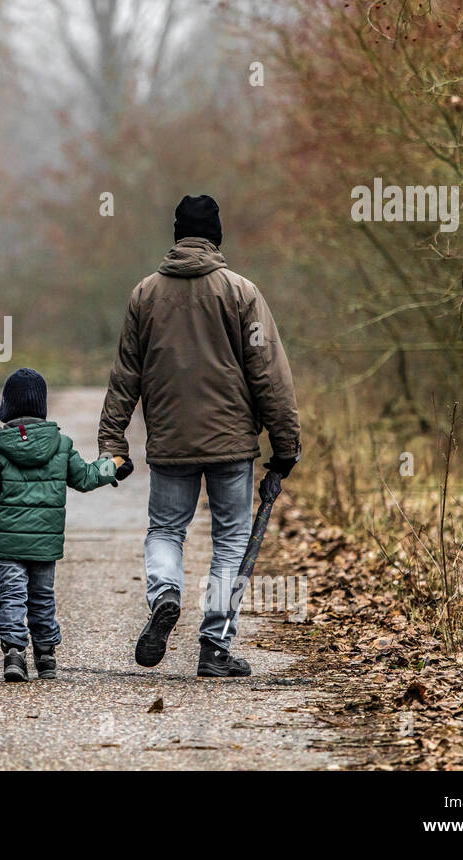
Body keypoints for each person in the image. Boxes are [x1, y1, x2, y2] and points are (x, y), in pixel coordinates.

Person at [98, 196, 301, 677]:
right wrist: (286, 443)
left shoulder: (145, 295)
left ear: (176, 236)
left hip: (170, 442)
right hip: (232, 443)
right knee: (230, 540)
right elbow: (269, 373)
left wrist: (113, 442)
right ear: (217, 236)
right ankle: (214, 646)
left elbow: (126, 373)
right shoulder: (241, 293)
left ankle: (166, 592)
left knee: (167, 529)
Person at [0, 368, 119, 682]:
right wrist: (110, 465)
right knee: (42, 596)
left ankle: (15, 654)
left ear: (6, 407)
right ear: (42, 407)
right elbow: (85, 477)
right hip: (45, 543)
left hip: (8, 544)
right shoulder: (60, 444)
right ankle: (46, 657)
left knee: (12, 596)